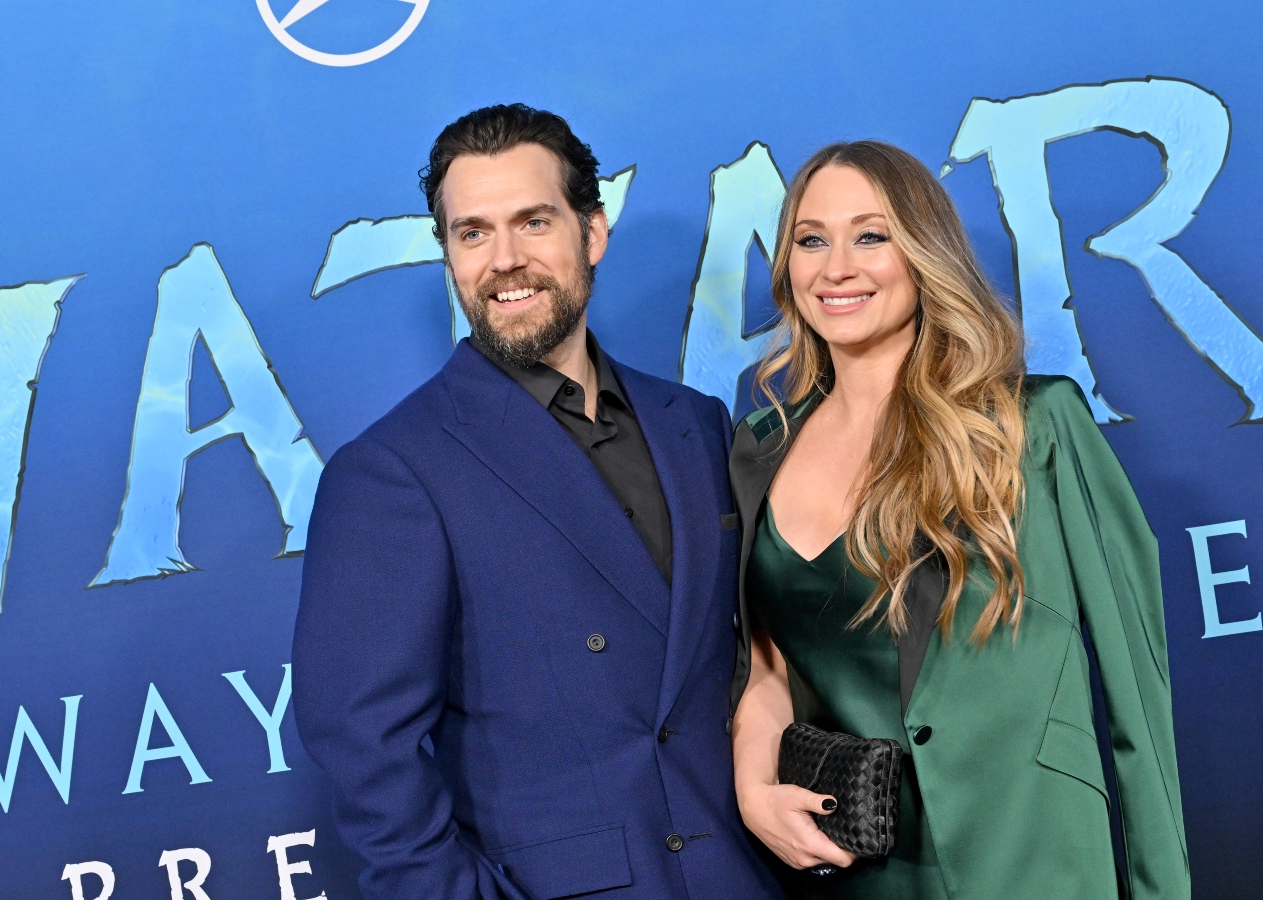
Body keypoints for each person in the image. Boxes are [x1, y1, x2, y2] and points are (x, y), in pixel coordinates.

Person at [293, 105, 783, 900]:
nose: (504, 260)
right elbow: (364, 750)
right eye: (473, 233)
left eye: (532, 221)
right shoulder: (392, 472)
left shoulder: (694, 424)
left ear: (593, 233)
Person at [728, 141, 1191, 899]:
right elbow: (768, 662)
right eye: (811, 240)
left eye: (871, 236)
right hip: (863, 871)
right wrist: (755, 780)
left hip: (1033, 856)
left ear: (923, 253)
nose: (836, 266)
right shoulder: (759, 449)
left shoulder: (1034, 426)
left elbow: (1139, 699)